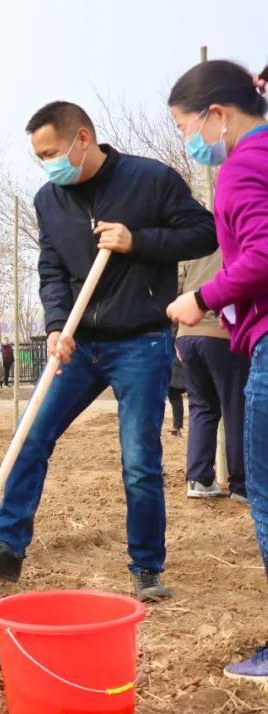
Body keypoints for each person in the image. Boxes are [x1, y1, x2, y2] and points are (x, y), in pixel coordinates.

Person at [0, 101, 217, 602]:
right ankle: (7, 547)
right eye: (40, 157)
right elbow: (51, 269)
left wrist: (137, 240)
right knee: (31, 435)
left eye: (52, 152)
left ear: (82, 139)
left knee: (139, 459)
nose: (48, 164)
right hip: (79, 342)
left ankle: (146, 568)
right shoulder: (49, 199)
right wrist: (54, 327)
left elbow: (205, 232)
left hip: (141, 340)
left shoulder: (150, 179)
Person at [166, 59, 268, 680]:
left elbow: (262, 253)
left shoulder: (243, 165)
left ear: (218, 115)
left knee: (267, 496)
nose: (190, 142)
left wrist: (201, 298)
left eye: (186, 129)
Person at [176, 250, 249, 501]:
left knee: (201, 407)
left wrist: (176, 333)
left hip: (188, 334)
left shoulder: (195, 243)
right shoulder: (241, 239)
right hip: (223, 333)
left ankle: (199, 479)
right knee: (236, 408)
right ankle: (242, 485)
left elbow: (177, 286)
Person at [167, 346, 186, 439]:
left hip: (178, 365)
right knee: (174, 395)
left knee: (174, 395)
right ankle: (177, 428)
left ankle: (177, 428)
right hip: (178, 365)